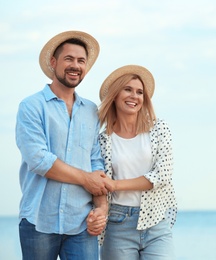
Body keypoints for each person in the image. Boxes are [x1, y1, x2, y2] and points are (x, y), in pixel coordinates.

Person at [15, 31, 112, 260]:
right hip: (39, 220)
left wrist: (101, 209)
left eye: (81, 61)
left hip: (81, 223)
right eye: (69, 59)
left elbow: (95, 163)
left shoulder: (91, 111)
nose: (75, 66)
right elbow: (39, 160)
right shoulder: (31, 106)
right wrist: (85, 179)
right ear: (53, 62)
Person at [86, 65, 178, 259]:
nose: (134, 96)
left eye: (139, 92)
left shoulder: (159, 129)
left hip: (156, 222)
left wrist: (115, 184)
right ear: (115, 95)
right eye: (127, 89)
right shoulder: (103, 140)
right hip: (118, 223)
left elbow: (162, 175)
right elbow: (99, 182)